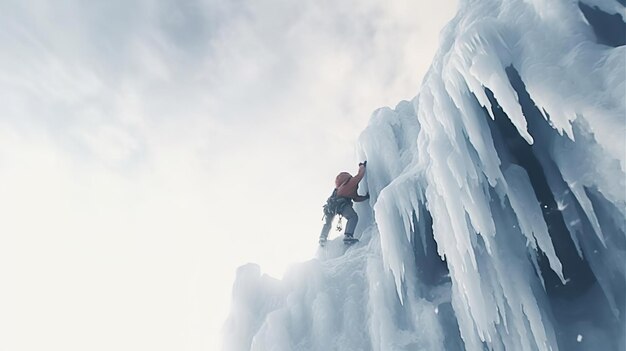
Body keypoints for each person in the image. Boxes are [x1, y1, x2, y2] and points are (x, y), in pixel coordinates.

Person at [319, 161, 369, 246]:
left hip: (331, 207)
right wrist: (362, 166)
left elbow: (355, 198)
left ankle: (322, 238)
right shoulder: (349, 183)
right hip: (342, 205)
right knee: (353, 217)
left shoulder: (339, 190)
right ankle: (348, 236)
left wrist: (365, 197)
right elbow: (359, 176)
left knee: (328, 223)